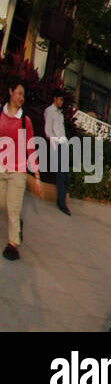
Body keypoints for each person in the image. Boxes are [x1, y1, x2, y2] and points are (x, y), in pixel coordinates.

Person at [1, 76, 37, 260]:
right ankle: (18, 225)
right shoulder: (0, 114)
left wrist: (36, 172)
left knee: (13, 208)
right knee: (3, 204)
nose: (21, 97)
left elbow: (30, 145)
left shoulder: (25, 121)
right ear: (10, 91)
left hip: (18, 170)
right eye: (19, 93)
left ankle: (13, 244)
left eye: (23, 95)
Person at [43, 88, 70, 216]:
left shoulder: (60, 114)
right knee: (60, 175)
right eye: (60, 99)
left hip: (63, 145)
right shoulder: (50, 111)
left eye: (62, 100)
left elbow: (62, 130)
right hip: (56, 145)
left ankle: (62, 201)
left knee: (65, 176)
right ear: (54, 99)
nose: (61, 102)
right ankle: (61, 204)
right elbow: (48, 131)